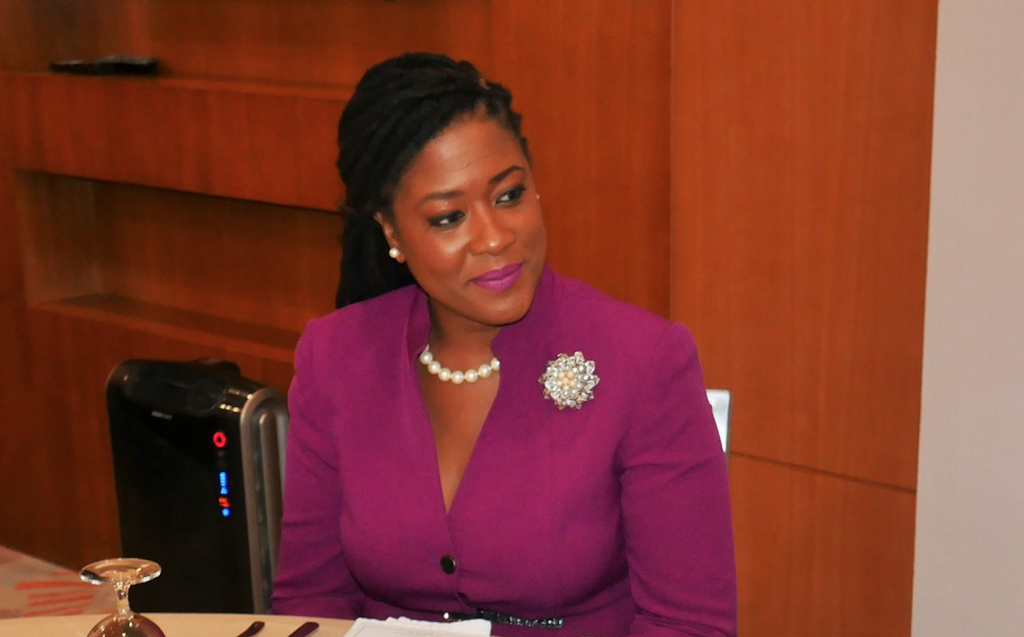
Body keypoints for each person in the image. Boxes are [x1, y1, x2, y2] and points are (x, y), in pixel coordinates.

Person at [270, 52, 737, 637]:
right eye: (448, 217)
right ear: (391, 231)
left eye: (509, 195)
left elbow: (689, 624)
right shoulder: (334, 356)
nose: (494, 238)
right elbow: (310, 601)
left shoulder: (646, 361)